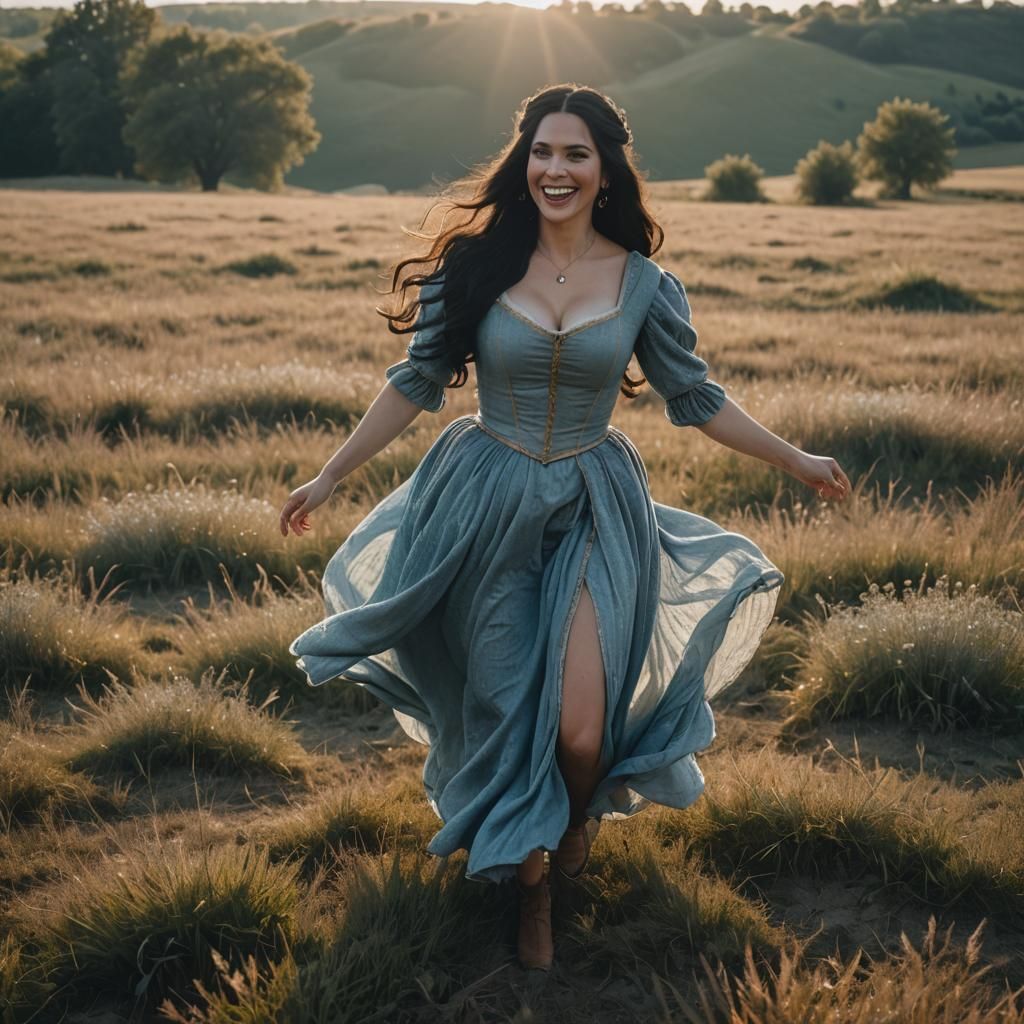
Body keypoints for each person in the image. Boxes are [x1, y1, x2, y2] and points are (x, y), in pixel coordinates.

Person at [279, 84, 851, 973]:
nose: (556, 169)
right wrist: (328, 475)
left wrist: (797, 460)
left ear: (605, 170)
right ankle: (533, 890)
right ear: (525, 162)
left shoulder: (642, 282)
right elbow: (415, 381)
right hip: (486, 503)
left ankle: (574, 818)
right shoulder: (479, 264)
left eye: (576, 154)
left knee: (582, 729)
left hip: (594, 502)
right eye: (543, 152)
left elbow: (695, 400)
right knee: (508, 704)